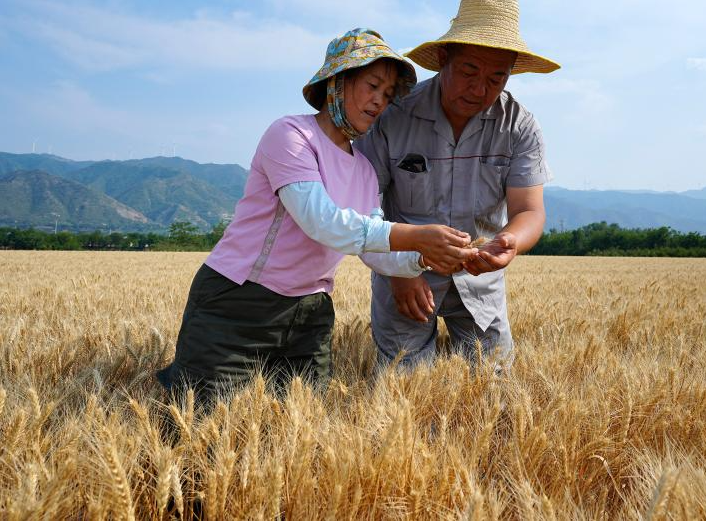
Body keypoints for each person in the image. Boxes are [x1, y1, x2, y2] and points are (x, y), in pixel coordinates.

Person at [156, 28, 477, 402]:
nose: (379, 102)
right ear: (336, 83)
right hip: (239, 302)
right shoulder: (291, 135)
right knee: (204, 424)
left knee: (296, 427)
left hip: (310, 314)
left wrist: (433, 257)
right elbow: (321, 222)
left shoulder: (364, 169)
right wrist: (417, 236)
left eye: (388, 95)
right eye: (372, 85)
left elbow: (373, 249)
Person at [354, 0, 560, 369]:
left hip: (480, 285)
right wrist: (398, 271)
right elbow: (364, 208)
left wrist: (510, 242)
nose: (480, 89)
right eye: (469, 71)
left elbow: (529, 211)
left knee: (495, 397)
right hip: (405, 277)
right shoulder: (392, 116)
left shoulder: (519, 126)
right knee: (407, 394)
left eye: (496, 78)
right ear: (444, 57)